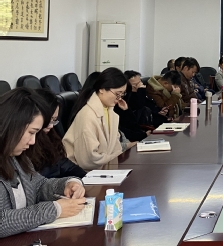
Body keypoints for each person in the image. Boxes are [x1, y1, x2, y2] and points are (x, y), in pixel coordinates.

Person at [0, 88, 86, 238]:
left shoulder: (15, 157)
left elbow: (39, 186)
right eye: (31, 132)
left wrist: (68, 184)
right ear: (12, 125)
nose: (33, 141)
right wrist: (55, 209)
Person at [63, 68, 135, 170]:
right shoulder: (87, 115)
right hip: (86, 173)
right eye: (117, 94)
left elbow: (116, 146)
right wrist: (114, 158)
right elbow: (88, 160)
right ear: (101, 89)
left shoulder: (110, 111)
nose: (119, 98)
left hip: (107, 167)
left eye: (122, 94)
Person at [26, 89, 86, 179]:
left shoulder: (50, 136)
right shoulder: (26, 143)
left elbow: (63, 164)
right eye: (48, 119)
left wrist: (85, 178)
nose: (51, 126)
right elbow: (38, 182)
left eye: (54, 120)